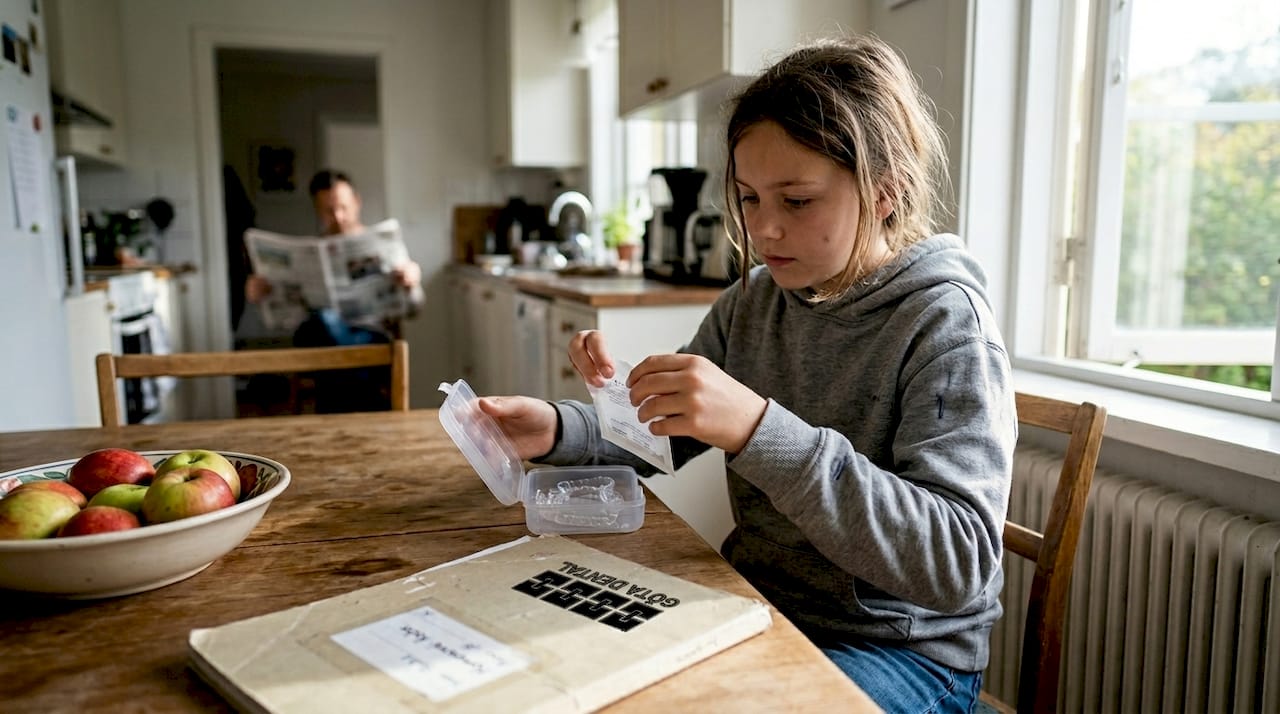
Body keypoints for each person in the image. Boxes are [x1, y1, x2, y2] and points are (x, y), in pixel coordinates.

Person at [477, 35, 1015, 714]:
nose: (763, 230)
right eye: (749, 198)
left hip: (902, 653)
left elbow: (958, 563)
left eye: (796, 201)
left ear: (887, 192)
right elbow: (663, 433)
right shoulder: (753, 302)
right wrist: (558, 428)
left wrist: (759, 429)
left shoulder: (945, 324)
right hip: (757, 603)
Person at [245, 169, 423, 412]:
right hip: (316, 334)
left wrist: (412, 283)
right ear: (317, 210)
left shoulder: (384, 246)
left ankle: (336, 411)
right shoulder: (311, 253)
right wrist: (260, 296)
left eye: (343, 207)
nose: (338, 217)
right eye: (328, 210)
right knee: (324, 321)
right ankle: (370, 406)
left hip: (369, 335)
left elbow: (414, 309)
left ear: (357, 201)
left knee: (335, 360)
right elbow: (280, 323)